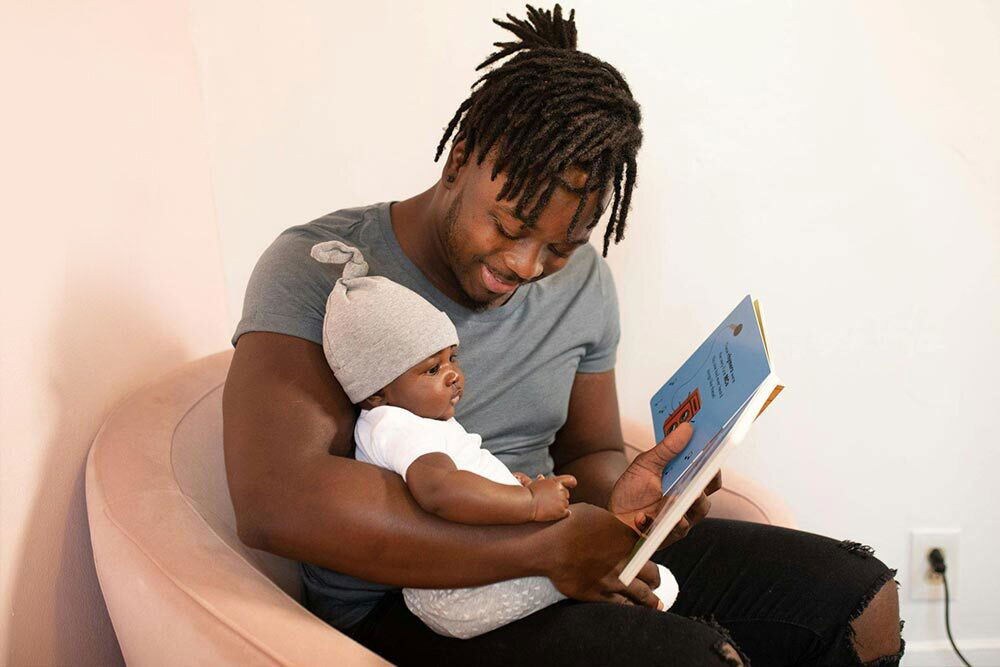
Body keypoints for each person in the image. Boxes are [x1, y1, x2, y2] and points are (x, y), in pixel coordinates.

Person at [223, 5, 904, 665]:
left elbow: (592, 450)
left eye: (561, 246)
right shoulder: (323, 268)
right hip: (407, 603)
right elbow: (277, 500)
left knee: (858, 598)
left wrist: (634, 497)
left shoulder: (584, 284)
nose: (525, 267)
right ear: (460, 159)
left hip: (556, 547)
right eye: (511, 226)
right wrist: (539, 548)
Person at [307, 238, 678, 639]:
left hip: (472, 576)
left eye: (452, 358)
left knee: (600, 558)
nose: (453, 374)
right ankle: (644, 579)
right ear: (376, 391)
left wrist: (505, 486)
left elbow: (460, 481)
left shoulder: (420, 420)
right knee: (607, 568)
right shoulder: (394, 425)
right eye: (431, 370)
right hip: (455, 591)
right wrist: (528, 503)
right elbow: (440, 491)